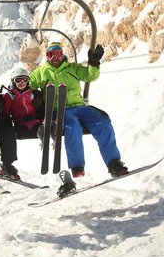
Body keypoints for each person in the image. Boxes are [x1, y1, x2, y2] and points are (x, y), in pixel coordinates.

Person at [29, 42, 128, 178]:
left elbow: (90, 76)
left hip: (80, 107)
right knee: (72, 126)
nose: (54, 57)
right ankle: (77, 166)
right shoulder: (40, 73)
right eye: (50, 54)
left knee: (103, 123)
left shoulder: (72, 68)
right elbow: (26, 84)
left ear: (62, 54)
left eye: (57, 53)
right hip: (60, 110)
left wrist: (93, 64)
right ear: (47, 56)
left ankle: (114, 164)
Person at [2, 67, 45, 139]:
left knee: (35, 128)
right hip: (19, 121)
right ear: (13, 81)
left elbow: (38, 107)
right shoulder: (10, 95)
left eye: (25, 80)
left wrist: (39, 115)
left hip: (33, 119)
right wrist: (7, 122)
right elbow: (5, 111)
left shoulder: (31, 93)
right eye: (18, 80)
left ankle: (44, 130)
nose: (22, 83)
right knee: (23, 133)